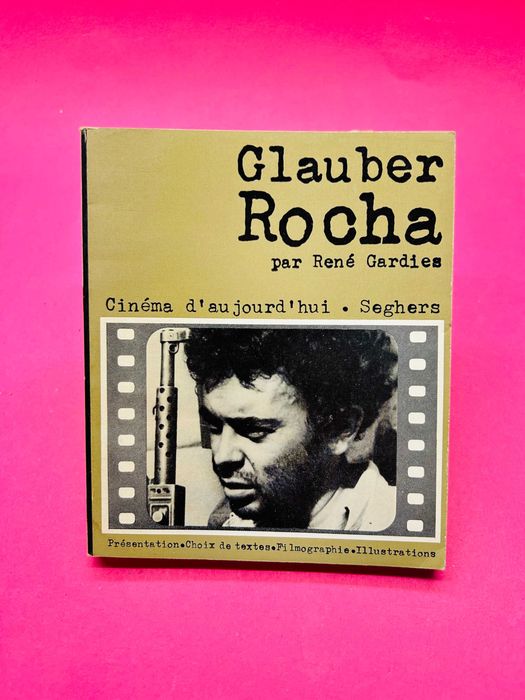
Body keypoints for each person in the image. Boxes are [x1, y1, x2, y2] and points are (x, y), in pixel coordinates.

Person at [185, 328, 397, 532]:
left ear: (340, 429)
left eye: (255, 432)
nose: (222, 457)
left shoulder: (389, 524)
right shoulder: (225, 523)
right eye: (214, 427)